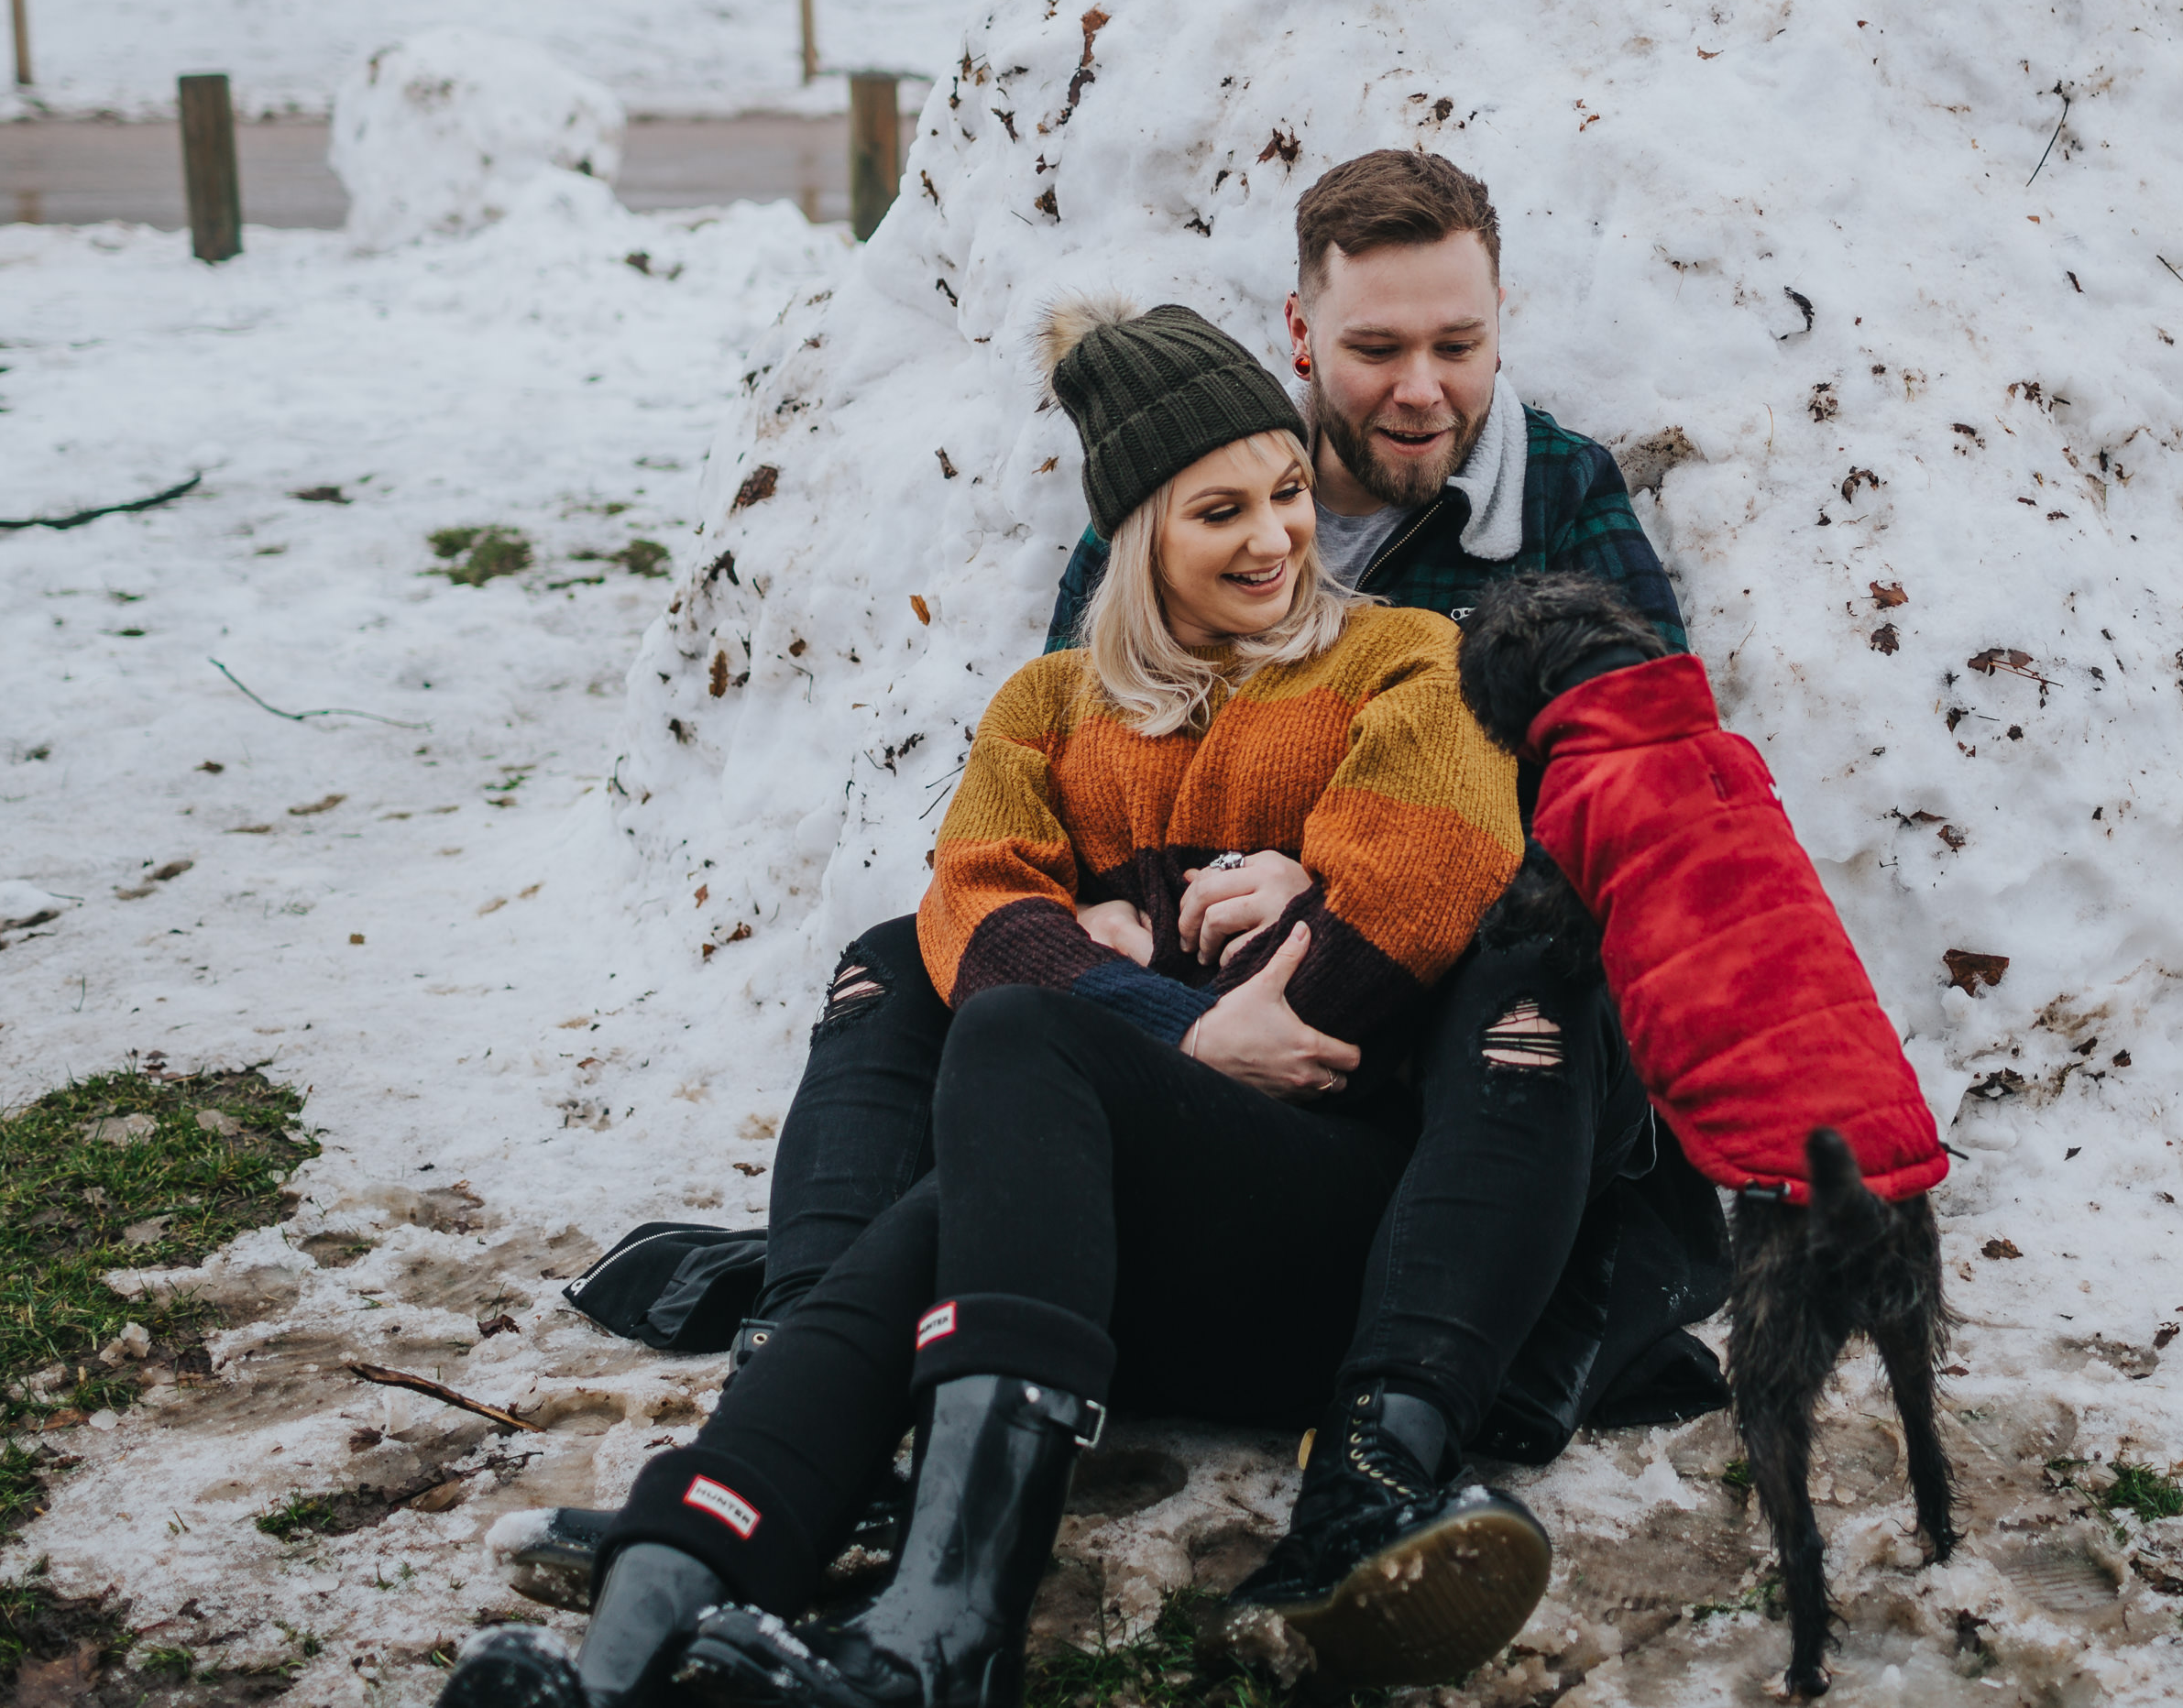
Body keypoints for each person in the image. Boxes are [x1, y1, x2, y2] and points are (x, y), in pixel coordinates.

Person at [556, 151, 1725, 1678]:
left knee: (1521, 949)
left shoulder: (1494, 569)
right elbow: (1052, 820)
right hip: (1192, 1022)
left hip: (1403, 1029)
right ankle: (779, 1428)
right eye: (1379, 349)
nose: (1423, 388)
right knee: (926, 975)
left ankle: (1376, 1452)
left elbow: (1610, 790)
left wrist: (1309, 898)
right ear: (1304, 344)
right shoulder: (1105, 613)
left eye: (1460, 344)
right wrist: (1165, 984)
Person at [455, 301, 1541, 1708]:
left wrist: (1155, 952)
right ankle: (644, 1626)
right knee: (953, 1180)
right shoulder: (1046, 705)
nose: (1276, 537)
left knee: (1026, 1048)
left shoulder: (1401, 658)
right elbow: (966, 913)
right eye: (1221, 510)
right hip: (1117, 1185)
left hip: (1324, 1187)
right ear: (1139, 533)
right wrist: (1187, 1017)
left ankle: (949, 1620)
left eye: (1284, 493)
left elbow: (1430, 867)